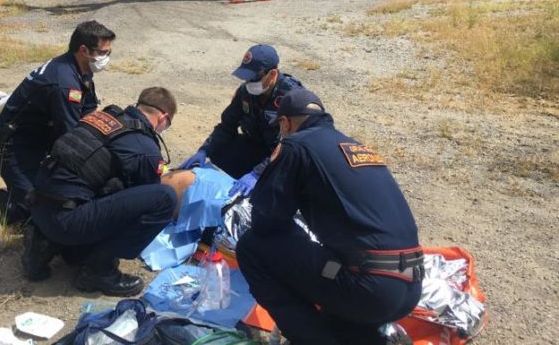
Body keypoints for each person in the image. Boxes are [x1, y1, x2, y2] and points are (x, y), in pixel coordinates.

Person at [236, 88, 423, 345]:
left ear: (285, 123)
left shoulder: (295, 145)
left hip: (369, 287)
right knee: (333, 311)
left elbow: (265, 220)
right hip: (410, 286)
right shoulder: (355, 147)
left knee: (252, 246)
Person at [0, 20, 116, 225]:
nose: (106, 58)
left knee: (52, 196)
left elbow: (88, 113)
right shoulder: (65, 84)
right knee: (31, 211)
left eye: (108, 52)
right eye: (102, 53)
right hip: (12, 147)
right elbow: (71, 137)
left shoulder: (77, 68)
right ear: (84, 50)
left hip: (36, 142)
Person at [23, 87, 181, 296]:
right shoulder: (145, 148)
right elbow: (144, 198)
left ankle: (43, 245)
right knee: (164, 198)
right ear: (163, 118)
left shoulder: (103, 117)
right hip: (67, 222)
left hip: (38, 208)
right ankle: (98, 271)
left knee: (103, 183)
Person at [179, 44, 303, 195]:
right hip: (256, 148)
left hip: (282, 159)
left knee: (275, 187)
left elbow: (290, 147)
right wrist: (205, 150)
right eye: (246, 78)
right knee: (220, 149)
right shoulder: (246, 92)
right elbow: (227, 126)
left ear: (272, 74)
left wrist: (257, 173)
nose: (249, 82)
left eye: (254, 78)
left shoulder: (293, 99)